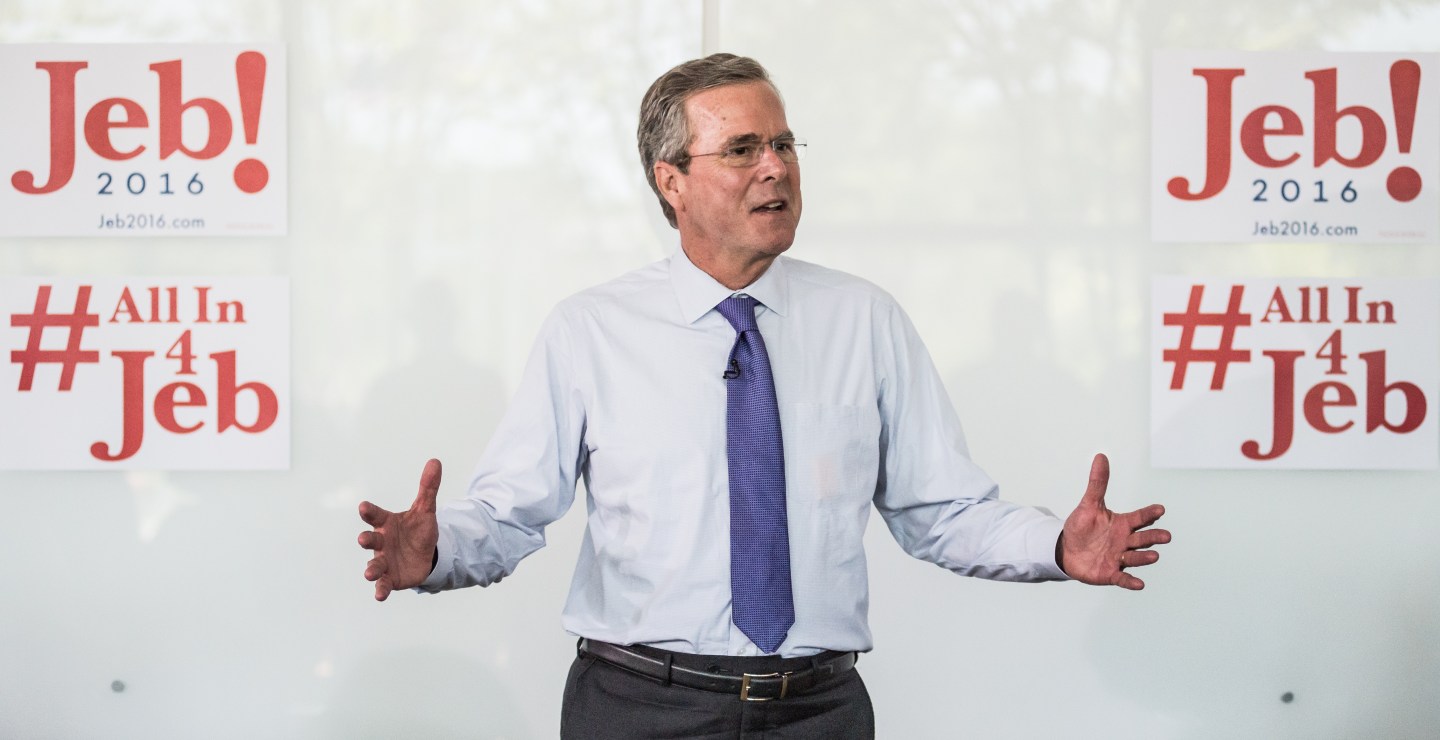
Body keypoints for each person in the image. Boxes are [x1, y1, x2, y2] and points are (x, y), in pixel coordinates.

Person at [357, 53, 1170, 739]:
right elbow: (509, 513)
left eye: (783, 143)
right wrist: (433, 553)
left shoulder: (865, 320)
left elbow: (943, 511)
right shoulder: (590, 332)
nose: (776, 166)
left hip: (818, 712)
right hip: (640, 707)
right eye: (742, 149)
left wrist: (1057, 548)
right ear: (670, 180)